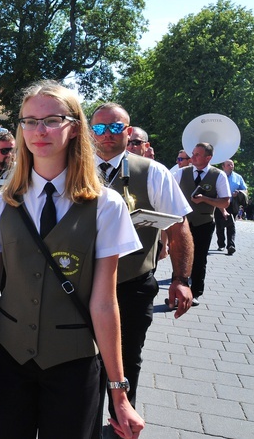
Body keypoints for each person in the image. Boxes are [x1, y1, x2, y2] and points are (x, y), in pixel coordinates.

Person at [0, 81, 144, 439]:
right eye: (30, 121)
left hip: (74, 362)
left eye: (52, 120)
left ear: (74, 128)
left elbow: (104, 303)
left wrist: (119, 393)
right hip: (11, 358)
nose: (40, 130)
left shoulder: (106, 205)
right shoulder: (0, 205)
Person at [90, 103, 193, 432]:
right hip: (79, 285)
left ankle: (120, 425)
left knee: (127, 358)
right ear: (91, 132)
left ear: (129, 131)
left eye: (115, 128)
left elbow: (179, 228)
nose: (108, 135)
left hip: (132, 283)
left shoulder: (153, 172)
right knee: (82, 362)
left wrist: (181, 279)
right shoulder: (72, 169)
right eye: (101, 128)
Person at [174, 142, 230, 306]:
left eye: (198, 154)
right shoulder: (181, 173)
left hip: (204, 222)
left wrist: (205, 199)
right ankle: (177, 291)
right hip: (183, 222)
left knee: (199, 259)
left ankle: (196, 292)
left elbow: (225, 202)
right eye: (193, 153)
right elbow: (169, 193)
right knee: (179, 256)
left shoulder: (218, 175)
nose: (193, 157)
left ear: (208, 157)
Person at [214, 159, 247, 255]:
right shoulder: (218, 176)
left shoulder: (238, 177)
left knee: (231, 225)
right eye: (228, 165)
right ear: (223, 166)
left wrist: (239, 192)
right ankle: (221, 244)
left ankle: (231, 246)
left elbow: (244, 189)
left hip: (232, 205)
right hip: (219, 204)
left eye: (232, 165)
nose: (231, 166)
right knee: (219, 225)